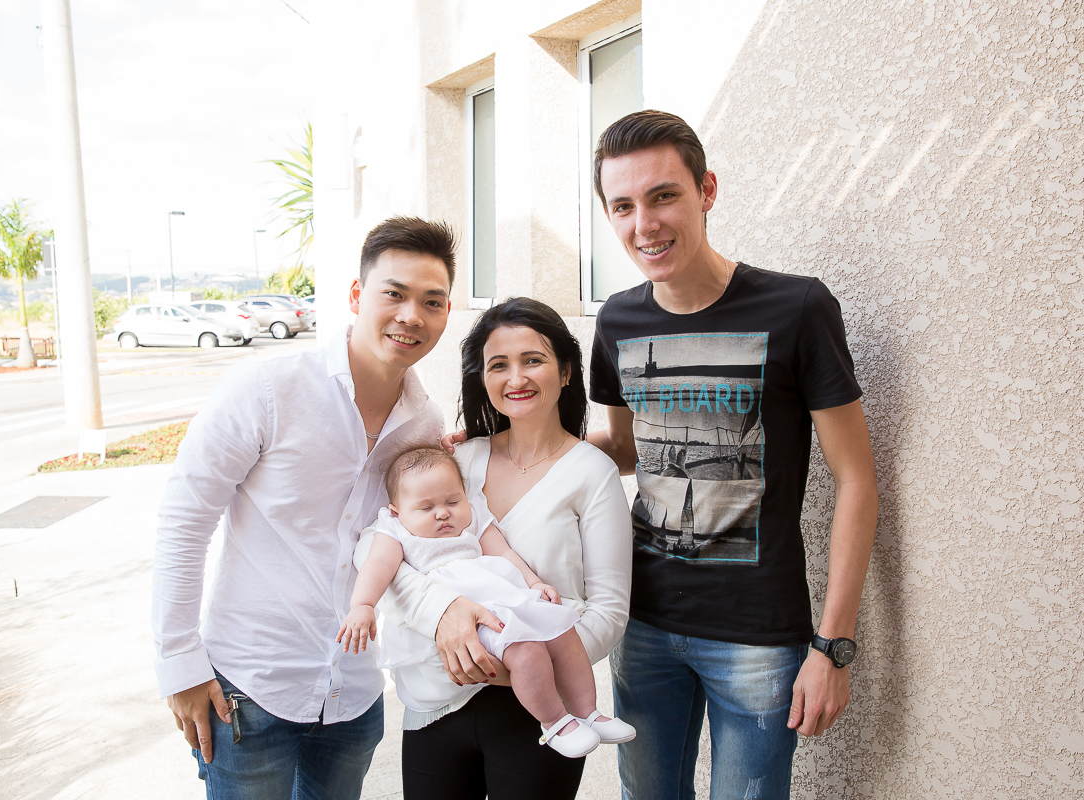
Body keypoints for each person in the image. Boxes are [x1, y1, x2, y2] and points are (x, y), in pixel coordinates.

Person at [152, 216, 505, 799]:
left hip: (354, 700)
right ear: (356, 295)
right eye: (394, 294)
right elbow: (184, 520)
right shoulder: (268, 389)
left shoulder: (423, 425)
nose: (411, 315)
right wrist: (180, 664)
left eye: (432, 301)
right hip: (249, 690)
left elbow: (415, 540)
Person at [586, 110, 879, 798]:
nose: (644, 225)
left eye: (663, 196)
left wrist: (832, 646)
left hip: (758, 637)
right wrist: (506, 449)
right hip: (643, 623)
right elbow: (628, 451)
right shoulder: (618, 320)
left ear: (707, 190)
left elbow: (857, 482)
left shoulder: (798, 308)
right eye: (623, 206)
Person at [374, 296, 633, 799]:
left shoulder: (591, 473)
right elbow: (383, 554)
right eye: (499, 365)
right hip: (437, 702)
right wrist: (443, 615)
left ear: (565, 372)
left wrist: (517, 663)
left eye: (532, 360)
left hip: (541, 709)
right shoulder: (454, 462)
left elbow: (609, 612)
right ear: (483, 379)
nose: (516, 377)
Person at [340, 444, 634, 758]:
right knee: (527, 651)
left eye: (452, 500)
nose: (443, 513)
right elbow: (378, 567)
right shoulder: (395, 529)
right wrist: (363, 605)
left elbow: (504, 552)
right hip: (469, 615)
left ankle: (587, 712)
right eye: (426, 508)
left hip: (503, 596)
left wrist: (534, 583)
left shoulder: (473, 515)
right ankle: (555, 723)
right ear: (397, 510)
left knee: (563, 632)